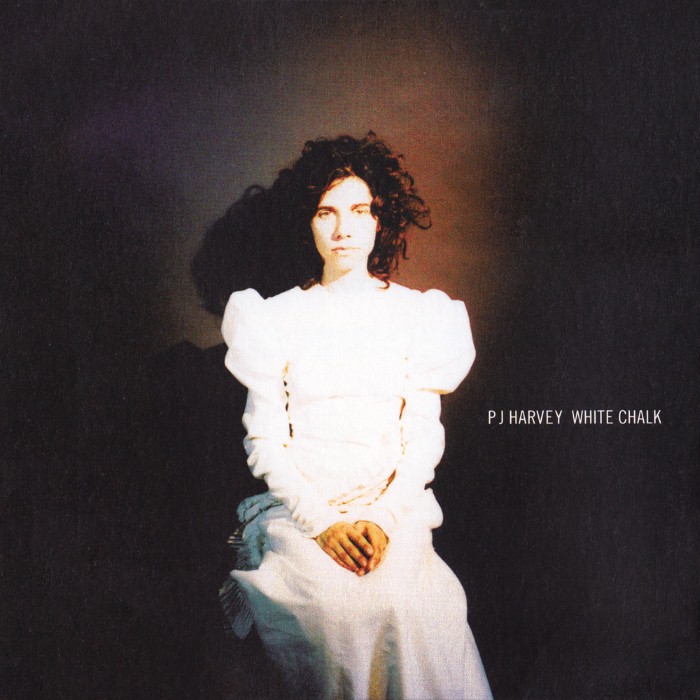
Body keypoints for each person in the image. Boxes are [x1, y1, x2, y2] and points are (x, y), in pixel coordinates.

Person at [216, 133, 492, 699]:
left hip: (392, 512)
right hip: (301, 513)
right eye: (327, 212)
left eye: (359, 210)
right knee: (331, 610)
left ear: (379, 220)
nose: (343, 228)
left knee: (403, 606)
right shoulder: (273, 319)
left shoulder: (418, 316)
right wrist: (322, 523)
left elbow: (422, 442)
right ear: (308, 222)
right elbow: (265, 442)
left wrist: (384, 520)